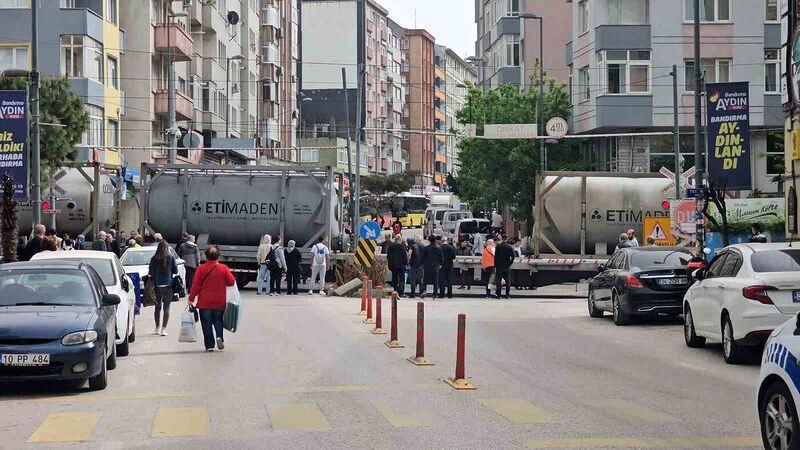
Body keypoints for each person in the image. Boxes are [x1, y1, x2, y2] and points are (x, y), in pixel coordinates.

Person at [188, 245, 236, 352]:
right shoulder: (223, 268)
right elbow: (231, 282)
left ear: (206, 256)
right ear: (218, 256)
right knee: (218, 320)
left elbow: (196, 286)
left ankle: (209, 345)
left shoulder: (201, 269)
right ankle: (219, 337)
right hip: (220, 301)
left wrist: (191, 298)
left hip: (205, 302)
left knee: (206, 323)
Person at [149, 241, 178, 336]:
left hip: (157, 285)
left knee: (157, 307)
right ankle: (164, 329)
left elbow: (150, 272)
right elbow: (175, 270)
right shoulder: (171, 258)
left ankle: (157, 327)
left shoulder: (154, 258)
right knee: (167, 308)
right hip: (168, 285)